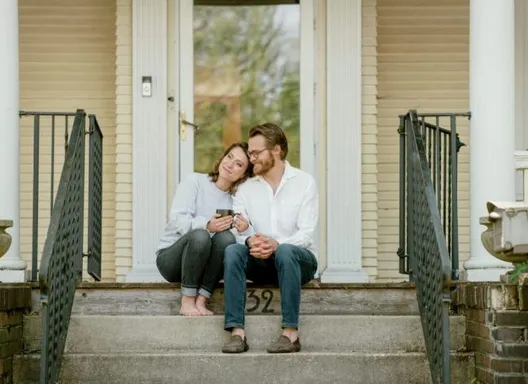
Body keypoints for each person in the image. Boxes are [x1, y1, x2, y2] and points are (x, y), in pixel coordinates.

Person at [221, 123, 318, 354]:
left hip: (297, 261)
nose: (251, 158)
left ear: (276, 150)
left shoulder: (304, 183)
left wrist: (277, 244)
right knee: (233, 251)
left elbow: (306, 234)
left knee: (285, 251)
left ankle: (290, 334)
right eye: (250, 153)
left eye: (256, 153)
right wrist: (248, 241)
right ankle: (237, 333)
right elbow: (237, 229)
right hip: (261, 261)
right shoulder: (246, 188)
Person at [156, 142, 253, 316]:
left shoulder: (237, 200)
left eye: (238, 164)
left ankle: (202, 300)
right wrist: (207, 225)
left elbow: (234, 244)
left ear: (244, 174)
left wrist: (243, 229)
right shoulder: (195, 181)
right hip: (172, 260)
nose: (230, 165)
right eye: (229, 157)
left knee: (227, 239)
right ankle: (187, 301)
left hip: (206, 269)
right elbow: (177, 220)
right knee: (201, 235)